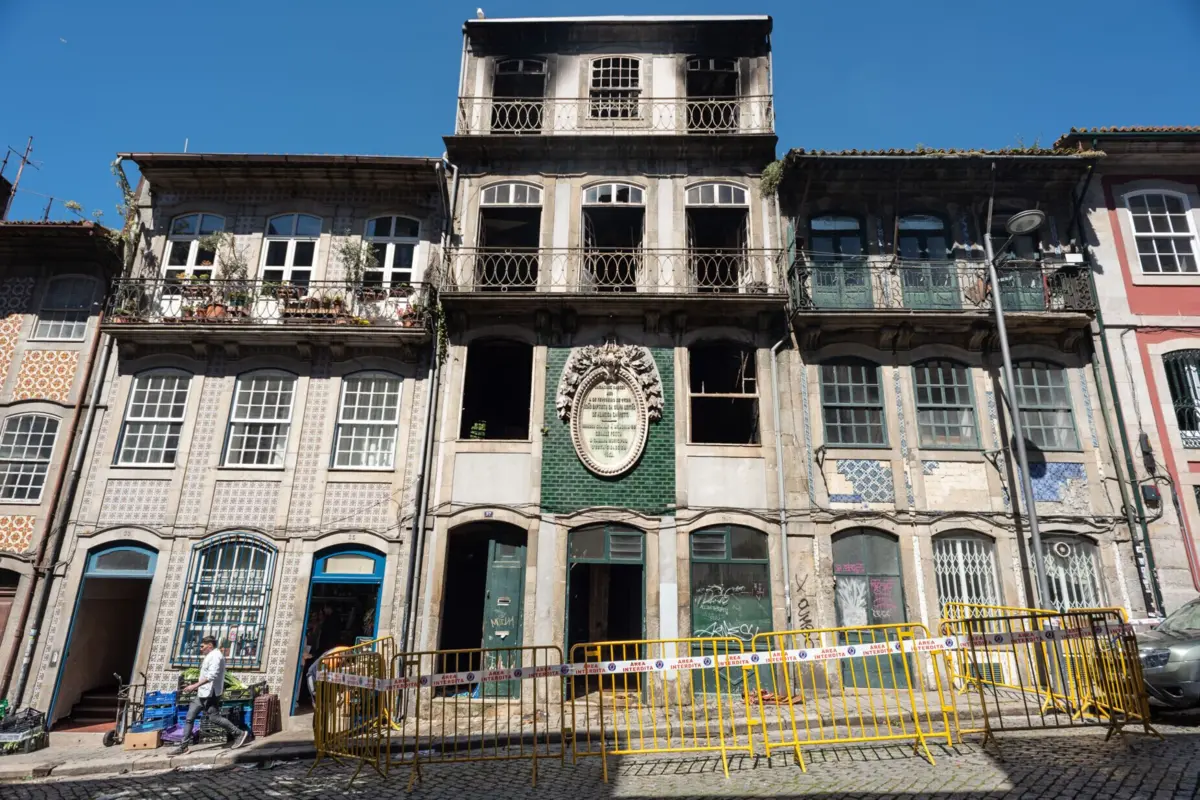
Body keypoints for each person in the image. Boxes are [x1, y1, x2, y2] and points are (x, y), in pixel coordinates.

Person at [170, 636, 252, 755]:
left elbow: (212, 676)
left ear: (210, 645)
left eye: (202, 646)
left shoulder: (216, 656)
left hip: (211, 693)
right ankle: (184, 746)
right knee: (189, 717)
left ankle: (239, 733)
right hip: (203, 693)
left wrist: (194, 686)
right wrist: (197, 687)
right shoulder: (210, 656)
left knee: (214, 718)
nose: (201, 649)